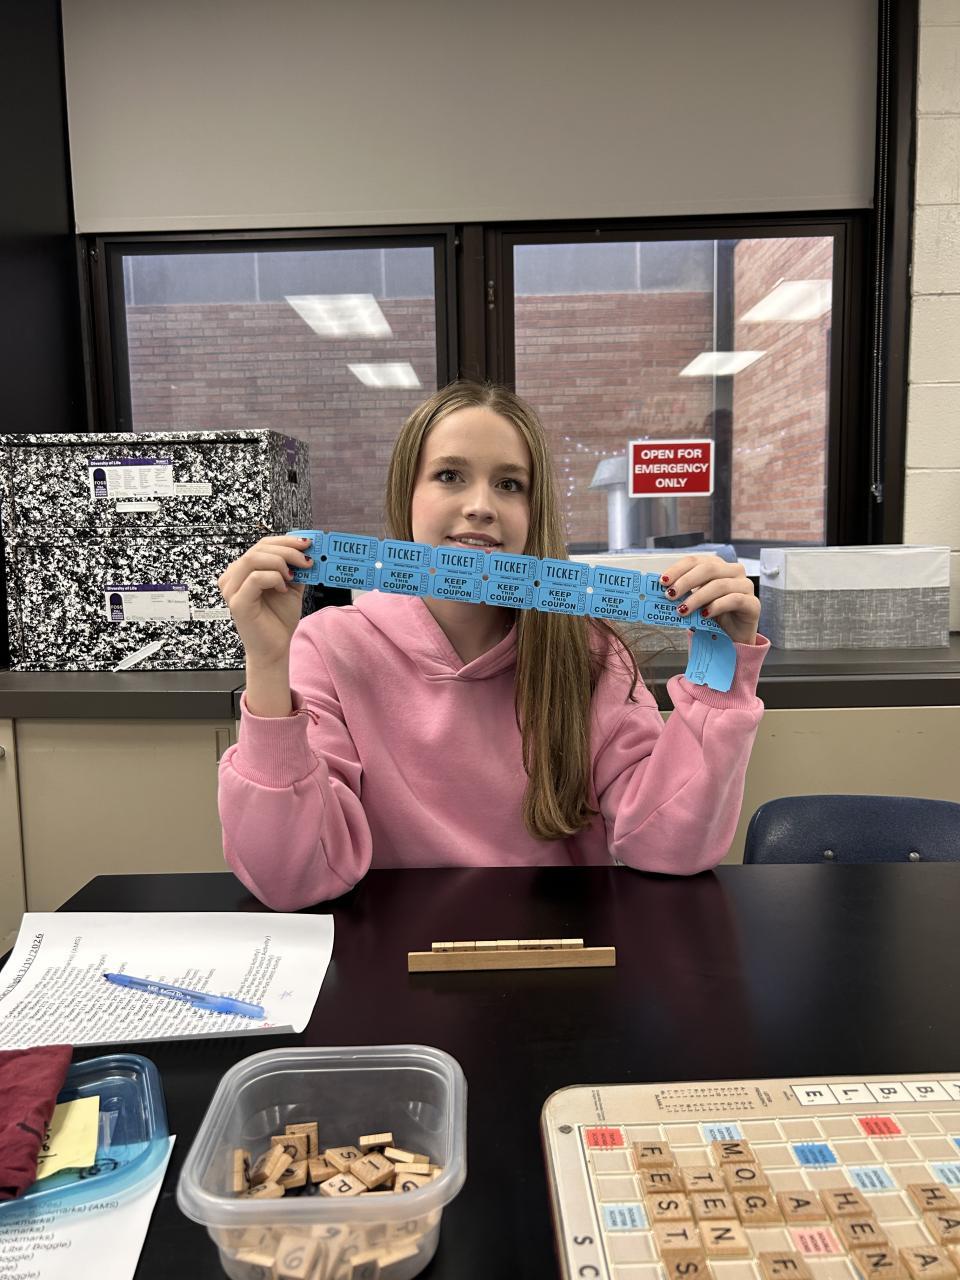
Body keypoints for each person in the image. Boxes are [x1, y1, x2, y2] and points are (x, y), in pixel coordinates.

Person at [217, 381, 767, 910]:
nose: (481, 505)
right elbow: (291, 878)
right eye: (449, 475)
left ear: (534, 511)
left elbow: (670, 846)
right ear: (407, 494)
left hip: (562, 947)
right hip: (392, 951)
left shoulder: (588, 652)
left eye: (509, 484)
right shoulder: (330, 647)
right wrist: (267, 662)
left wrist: (720, 666)